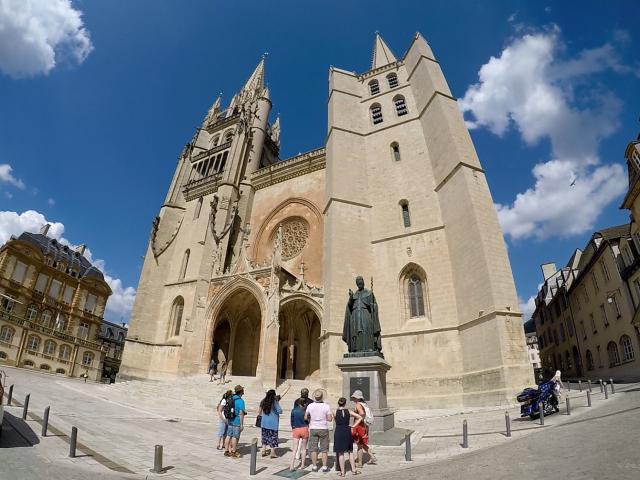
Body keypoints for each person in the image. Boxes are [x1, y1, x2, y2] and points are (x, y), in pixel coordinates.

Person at [304, 389, 333, 472]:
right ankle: (324, 467)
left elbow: (305, 417)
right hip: (323, 428)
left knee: (313, 448)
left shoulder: (310, 406)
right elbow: (330, 419)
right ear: (322, 397)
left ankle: (314, 466)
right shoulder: (326, 406)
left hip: (313, 428)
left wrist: (311, 419)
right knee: (324, 449)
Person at [334, 397, 361, 476]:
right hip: (347, 430)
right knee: (350, 451)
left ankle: (342, 472)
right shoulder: (349, 411)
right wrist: (354, 426)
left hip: (339, 431)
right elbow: (360, 417)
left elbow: (335, 420)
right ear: (345, 403)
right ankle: (353, 470)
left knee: (340, 453)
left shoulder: (334, 411)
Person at [351, 390, 377, 468]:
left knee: (359, 445)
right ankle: (372, 457)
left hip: (359, 426)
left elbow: (362, 414)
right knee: (362, 444)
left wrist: (355, 416)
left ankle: (360, 463)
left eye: (354, 397)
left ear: (356, 398)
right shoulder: (364, 404)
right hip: (364, 426)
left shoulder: (358, 404)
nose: (353, 399)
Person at [259, 389, 283, 458]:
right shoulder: (275, 402)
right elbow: (280, 410)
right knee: (273, 437)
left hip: (264, 422)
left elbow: (260, 410)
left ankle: (263, 450)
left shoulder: (263, 400)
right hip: (273, 423)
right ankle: (272, 453)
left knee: (264, 436)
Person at [224, 385, 246, 458]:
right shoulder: (240, 401)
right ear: (241, 392)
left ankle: (226, 451)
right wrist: (242, 424)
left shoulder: (231, 398)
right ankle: (233, 452)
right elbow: (241, 413)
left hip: (230, 419)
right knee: (235, 437)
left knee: (228, 435)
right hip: (236, 420)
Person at [289, 398, 309, 471]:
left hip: (296, 429)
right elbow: (308, 420)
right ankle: (302, 465)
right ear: (304, 404)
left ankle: (291, 466)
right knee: (304, 449)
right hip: (304, 428)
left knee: (294, 449)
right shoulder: (306, 411)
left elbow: (291, 421)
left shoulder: (293, 410)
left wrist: (293, 428)